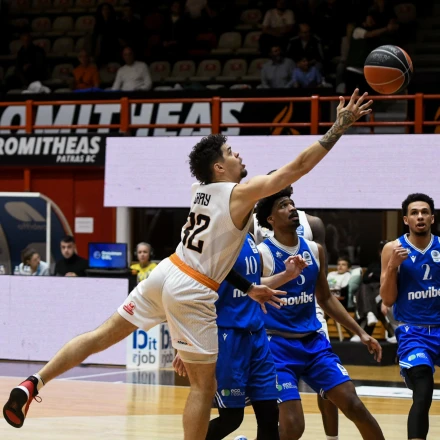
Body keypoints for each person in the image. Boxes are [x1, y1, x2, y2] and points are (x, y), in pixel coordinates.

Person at [3, 89, 372, 439]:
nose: (238, 155)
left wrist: (248, 287)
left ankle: (34, 382)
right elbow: (297, 168)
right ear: (219, 167)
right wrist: (338, 127)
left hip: (167, 271)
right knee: (202, 387)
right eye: (231, 152)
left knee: (100, 336)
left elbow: (219, 256)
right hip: (193, 289)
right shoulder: (238, 194)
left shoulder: (200, 191)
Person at [255, 189, 384, 440]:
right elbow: (246, 292)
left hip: (313, 343)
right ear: (270, 219)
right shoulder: (263, 253)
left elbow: (325, 298)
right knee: (293, 427)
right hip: (276, 347)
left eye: (292, 203)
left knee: (354, 404)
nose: (292, 208)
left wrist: (361, 333)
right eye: (283, 206)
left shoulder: (315, 250)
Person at [173, 233, 306, 440]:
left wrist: (287, 275)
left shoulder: (249, 236)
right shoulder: (211, 238)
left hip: (256, 335)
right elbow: (189, 294)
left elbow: (252, 284)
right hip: (227, 336)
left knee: (270, 416)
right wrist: (188, 340)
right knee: (231, 418)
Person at [252, 182, 339, 440]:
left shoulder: (312, 224)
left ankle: (332, 437)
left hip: (311, 313)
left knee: (335, 390)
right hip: (275, 315)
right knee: (282, 412)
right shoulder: (254, 224)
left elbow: (323, 288)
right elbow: (248, 279)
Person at [380, 193, 440, 440]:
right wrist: (392, 266)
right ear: (406, 220)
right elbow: (387, 299)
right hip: (413, 331)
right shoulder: (393, 249)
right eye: (414, 213)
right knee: (423, 391)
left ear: (432, 218)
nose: (420, 216)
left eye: (425, 212)